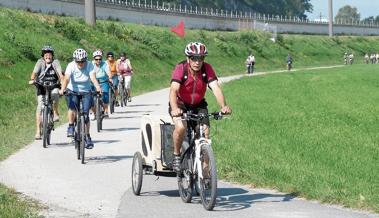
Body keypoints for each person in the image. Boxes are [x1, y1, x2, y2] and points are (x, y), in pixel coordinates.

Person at [169, 42, 232, 172]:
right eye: (194, 58)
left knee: (205, 134)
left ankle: (205, 171)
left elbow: (215, 88)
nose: (197, 62)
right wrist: (175, 108)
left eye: (201, 58)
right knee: (180, 127)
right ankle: (176, 155)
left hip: (199, 105)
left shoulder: (207, 69)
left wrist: (223, 106)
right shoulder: (181, 68)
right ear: (188, 58)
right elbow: (173, 90)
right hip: (180, 104)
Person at [59, 48, 102, 149]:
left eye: (82, 61)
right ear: (75, 60)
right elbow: (66, 78)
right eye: (78, 61)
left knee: (86, 115)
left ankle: (87, 136)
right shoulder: (71, 65)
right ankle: (70, 126)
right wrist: (62, 89)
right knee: (72, 108)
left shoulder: (90, 65)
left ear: (85, 60)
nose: (80, 63)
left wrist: (98, 87)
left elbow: (93, 78)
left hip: (86, 91)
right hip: (72, 90)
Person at [28, 45, 63, 140]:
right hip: (42, 87)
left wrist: (62, 85)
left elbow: (60, 74)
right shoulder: (40, 62)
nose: (48, 56)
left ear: (52, 55)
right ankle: (38, 131)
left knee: (55, 94)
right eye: (46, 54)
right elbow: (34, 73)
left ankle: (55, 112)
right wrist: (32, 79)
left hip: (54, 85)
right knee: (39, 107)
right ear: (43, 56)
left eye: (49, 54)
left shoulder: (56, 62)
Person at [92, 49, 112, 117]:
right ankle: (93, 113)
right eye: (96, 59)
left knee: (105, 96)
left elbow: (108, 71)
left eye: (100, 59)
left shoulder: (104, 64)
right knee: (90, 97)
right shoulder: (91, 65)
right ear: (94, 59)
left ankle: (106, 110)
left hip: (103, 82)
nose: (98, 61)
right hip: (93, 83)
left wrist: (109, 77)